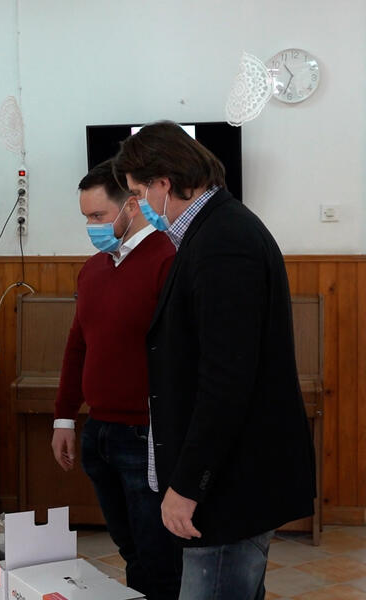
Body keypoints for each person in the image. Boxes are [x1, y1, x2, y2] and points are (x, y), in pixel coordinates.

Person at [114, 121, 316, 600]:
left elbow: (227, 380)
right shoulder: (212, 230)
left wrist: (188, 485)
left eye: (138, 193)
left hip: (229, 484)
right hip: (227, 477)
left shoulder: (224, 240)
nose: (137, 205)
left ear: (164, 183)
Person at [51, 160, 181, 599]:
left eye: (98, 216)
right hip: (100, 431)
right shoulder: (94, 268)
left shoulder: (167, 259)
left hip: (145, 434)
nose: (91, 227)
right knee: (131, 551)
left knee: (158, 558)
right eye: (86, 217)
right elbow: (78, 346)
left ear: (131, 205)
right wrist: (64, 418)